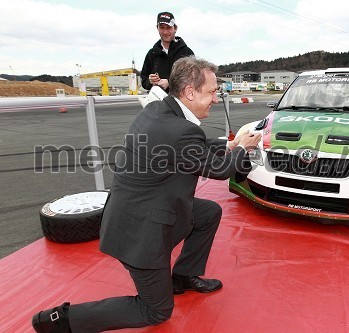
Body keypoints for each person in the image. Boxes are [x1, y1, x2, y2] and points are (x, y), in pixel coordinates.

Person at [31, 56, 262, 333]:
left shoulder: (160, 111)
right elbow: (221, 169)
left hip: (140, 207)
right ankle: (62, 320)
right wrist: (242, 148)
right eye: (212, 92)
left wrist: (229, 142)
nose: (216, 98)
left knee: (208, 212)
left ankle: (182, 276)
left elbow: (192, 146)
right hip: (141, 231)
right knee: (156, 311)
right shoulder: (179, 130)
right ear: (190, 92)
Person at [141, 11, 194, 93]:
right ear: (157, 28)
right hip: (158, 103)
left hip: (180, 103)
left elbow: (194, 78)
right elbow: (144, 80)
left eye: (169, 28)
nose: (165, 32)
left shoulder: (187, 53)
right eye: (162, 27)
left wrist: (170, 83)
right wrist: (150, 81)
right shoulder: (152, 53)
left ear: (175, 28)